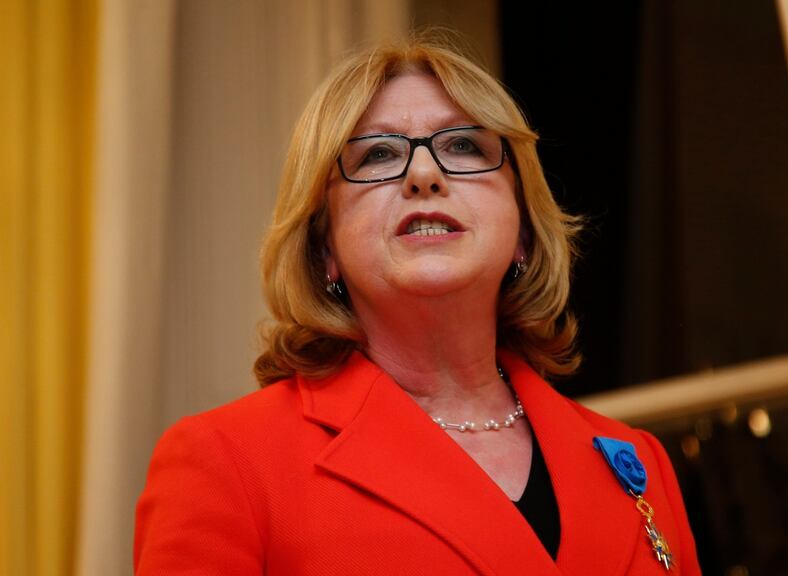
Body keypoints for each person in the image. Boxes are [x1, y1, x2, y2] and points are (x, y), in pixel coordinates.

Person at [134, 35, 701, 575]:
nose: (424, 175)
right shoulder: (227, 463)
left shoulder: (637, 461)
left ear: (524, 232)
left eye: (463, 145)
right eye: (379, 154)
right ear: (324, 247)